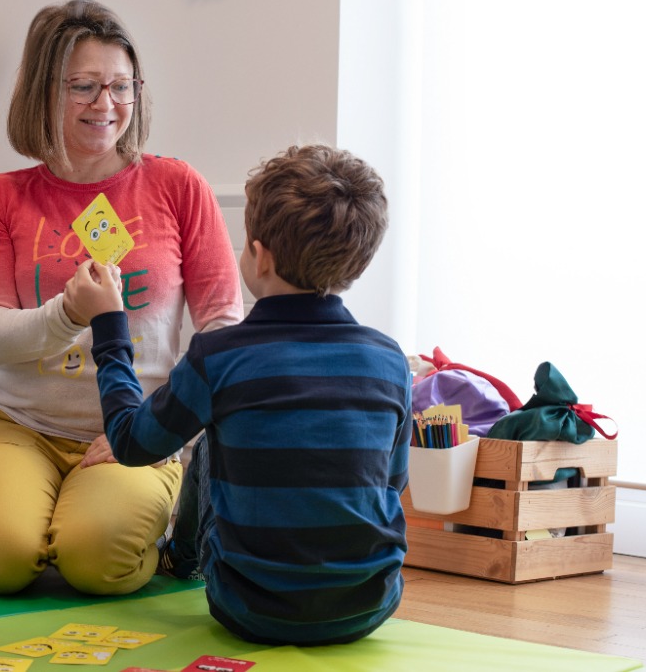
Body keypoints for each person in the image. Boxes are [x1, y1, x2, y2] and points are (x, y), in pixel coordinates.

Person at [0, 0, 243, 597]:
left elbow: (222, 328)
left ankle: (129, 517)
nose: (105, 105)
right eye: (83, 86)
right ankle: (47, 518)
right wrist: (69, 313)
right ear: (40, 92)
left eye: (120, 85)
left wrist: (161, 428)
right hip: (21, 423)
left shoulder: (178, 186)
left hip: (141, 428)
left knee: (97, 565)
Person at [67, 143, 412, 646]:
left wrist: (109, 322)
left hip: (248, 608)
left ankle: (179, 560)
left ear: (259, 255)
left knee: (210, 441)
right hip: (369, 606)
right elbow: (391, 482)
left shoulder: (220, 355)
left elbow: (129, 442)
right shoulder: (390, 361)